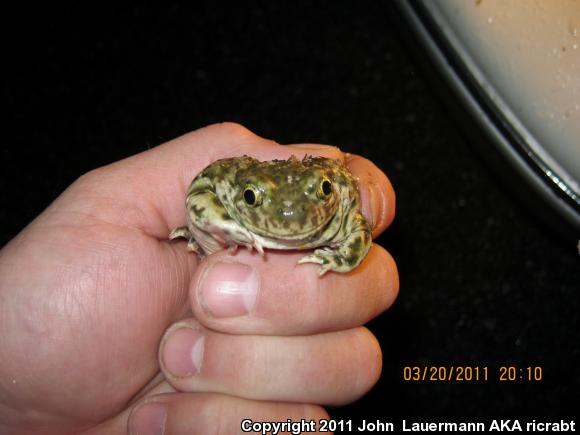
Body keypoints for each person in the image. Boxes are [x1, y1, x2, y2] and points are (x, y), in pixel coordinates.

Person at [0, 123, 398, 435]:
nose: (290, 214)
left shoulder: (340, 199)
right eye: (252, 199)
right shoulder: (226, 182)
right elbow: (202, 190)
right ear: (238, 197)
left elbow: (357, 229)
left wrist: (342, 259)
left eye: (321, 191)